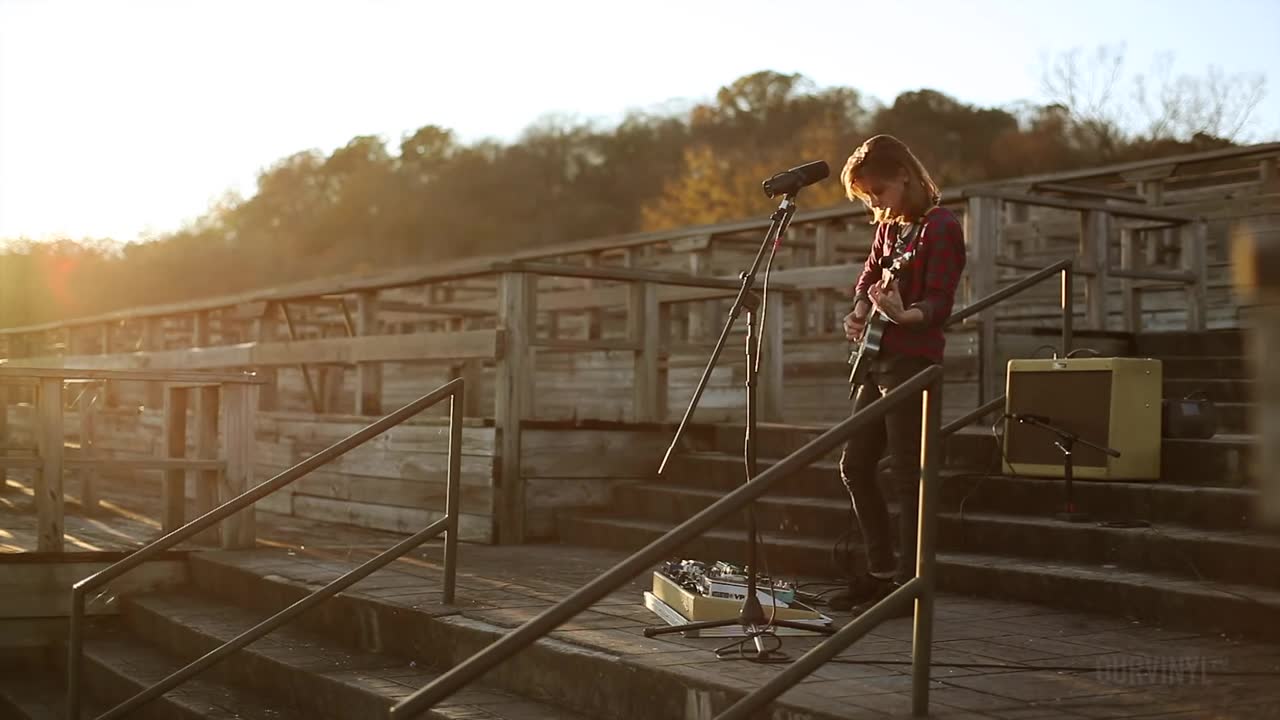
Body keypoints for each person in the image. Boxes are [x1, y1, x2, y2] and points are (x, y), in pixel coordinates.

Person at [828, 134, 966, 614]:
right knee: (855, 464)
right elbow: (868, 277)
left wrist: (908, 315)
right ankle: (880, 572)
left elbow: (939, 300)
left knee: (910, 475)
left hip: (913, 361)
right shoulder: (890, 228)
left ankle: (908, 585)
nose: (876, 205)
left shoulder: (941, 227)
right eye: (867, 198)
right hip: (876, 356)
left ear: (904, 176)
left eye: (879, 192)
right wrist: (861, 308)